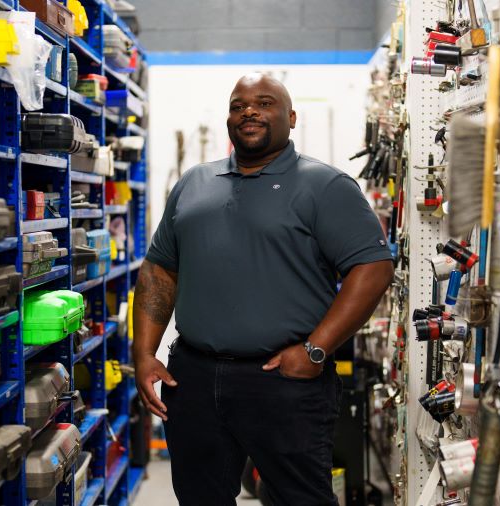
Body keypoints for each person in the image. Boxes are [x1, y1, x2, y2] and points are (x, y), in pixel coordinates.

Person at [132, 73, 394, 505]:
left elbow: (373, 269)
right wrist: (144, 354)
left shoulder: (325, 186)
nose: (249, 111)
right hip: (193, 377)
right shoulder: (194, 183)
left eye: (265, 103)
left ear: (291, 118)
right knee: (200, 497)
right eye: (238, 106)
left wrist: (315, 350)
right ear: (229, 119)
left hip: (285, 380)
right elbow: (160, 270)